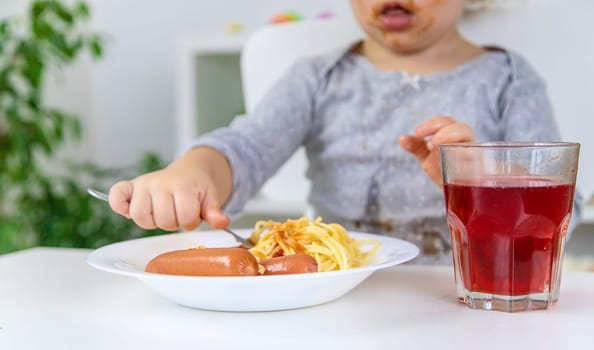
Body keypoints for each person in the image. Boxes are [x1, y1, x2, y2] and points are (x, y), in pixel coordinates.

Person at [108, 0, 569, 264]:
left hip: (465, 289)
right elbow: (245, 148)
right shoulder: (318, 78)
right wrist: (192, 173)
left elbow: (553, 204)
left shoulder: (508, 77)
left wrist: (474, 178)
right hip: (338, 282)